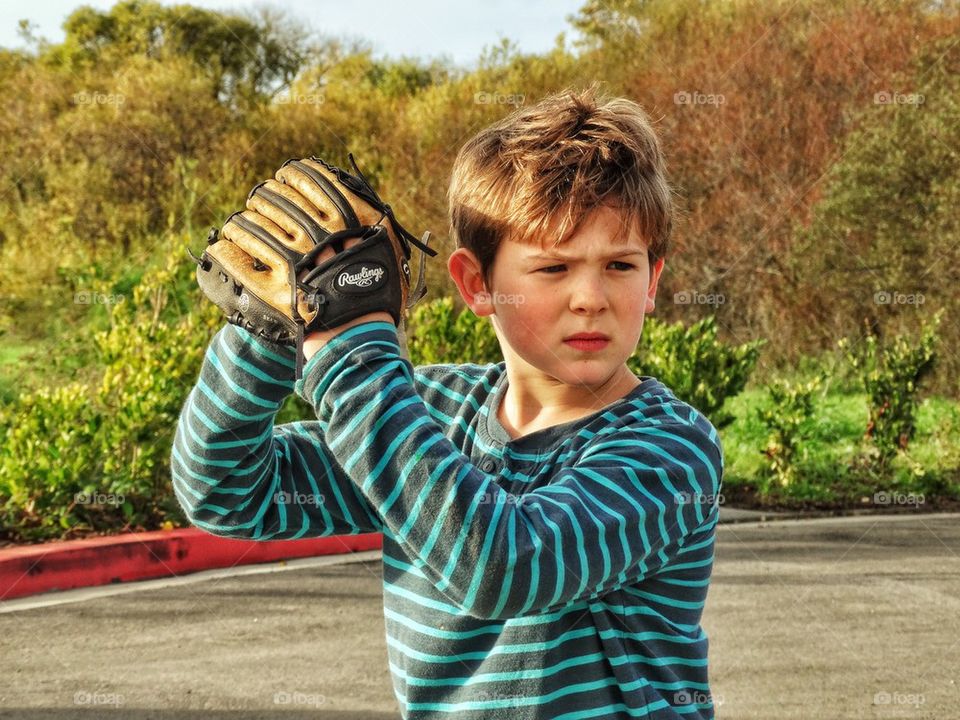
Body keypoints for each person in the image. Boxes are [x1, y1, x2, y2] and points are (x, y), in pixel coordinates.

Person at [172, 83, 724, 719]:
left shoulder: (669, 449)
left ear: (653, 279)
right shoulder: (428, 412)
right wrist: (271, 330)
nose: (590, 298)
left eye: (620, 266)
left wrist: (351, 353)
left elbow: (504, 565)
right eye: (553, 269)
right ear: (476, 284)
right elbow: (231, 493)